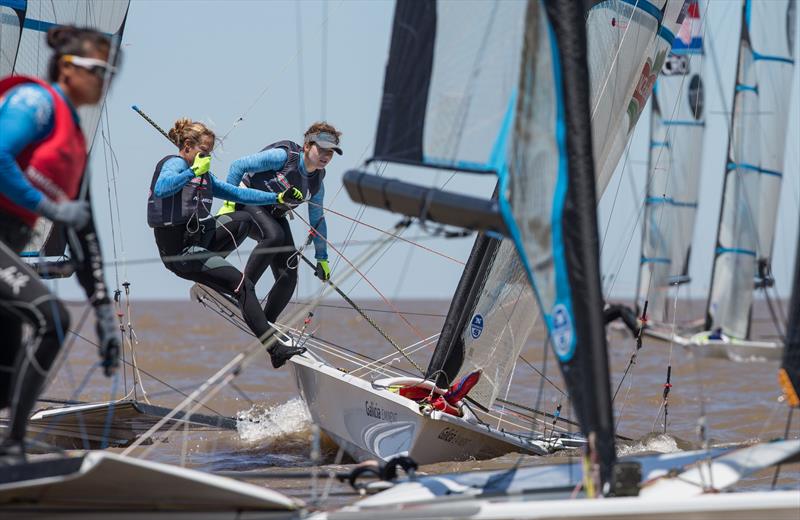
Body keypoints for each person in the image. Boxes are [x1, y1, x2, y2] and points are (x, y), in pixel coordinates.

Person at [0, 26, 122, 464]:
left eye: (114, 71)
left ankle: (7, 449)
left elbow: (84, 234)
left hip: (10, 246)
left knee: (6, 374)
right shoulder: (35, 102)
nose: (107, 79)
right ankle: (12, 449)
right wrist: (47, 206)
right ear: (68, 68)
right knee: (52, 318)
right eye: (100, 70)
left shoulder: (74, 142)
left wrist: (105, 313)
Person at [147, 118, 305, 368]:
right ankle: (274, 349)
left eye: (209, 154)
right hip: (181, 252)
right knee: (243, 286)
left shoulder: (202, 175)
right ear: (187, 145)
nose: (207, 158)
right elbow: (162, 188)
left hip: (199, 240)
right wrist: (192, 172)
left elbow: (237, 193)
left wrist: (277, 196)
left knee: (242, 218)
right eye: (204, 153)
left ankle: (218, 272)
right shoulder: (175, 163)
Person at [218, 122, 341, 323]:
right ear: (308, 146)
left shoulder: (317, 182)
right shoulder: (284, 157)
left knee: (289, 273)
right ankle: (240, 291)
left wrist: (322, 258)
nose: (326, 156)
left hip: (273, 215)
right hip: (246, 201)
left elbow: (317, 219)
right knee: (275, 236)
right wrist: (229, 202)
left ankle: (266, 323)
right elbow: (238, 166)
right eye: (322, 149)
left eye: (332, 152)